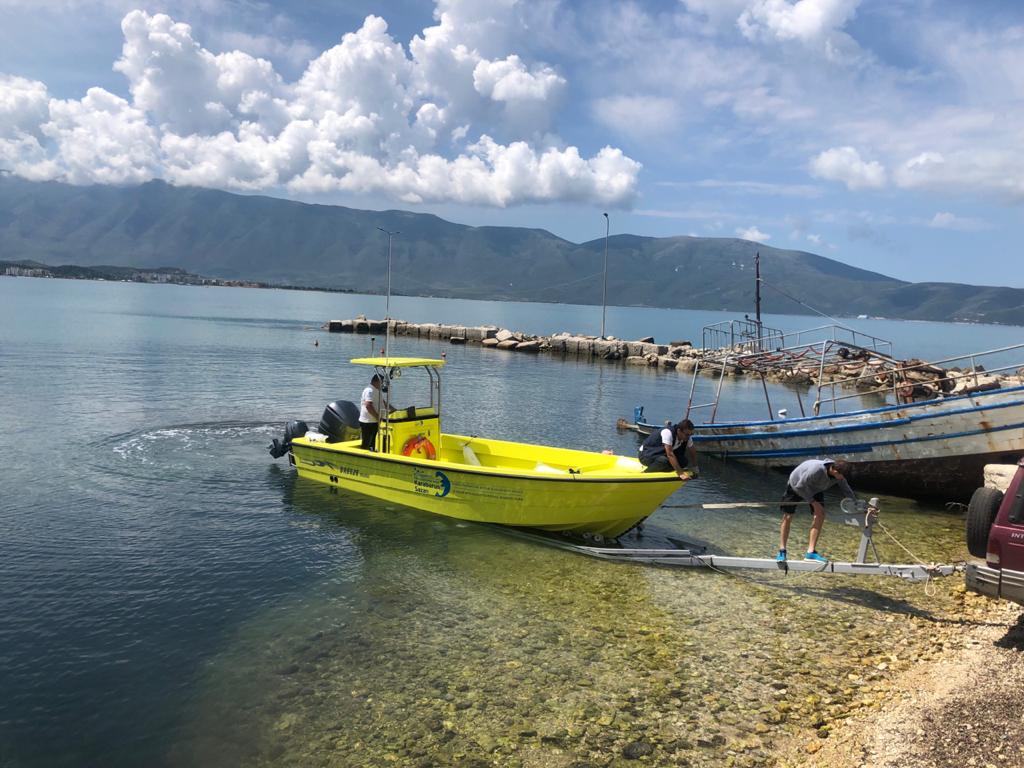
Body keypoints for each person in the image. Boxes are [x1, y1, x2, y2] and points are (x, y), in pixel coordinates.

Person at [777, 458, 856, 563]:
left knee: (820, 514)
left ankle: (810, 553)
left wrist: (855, 503)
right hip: (796, 485)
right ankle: (782, 550)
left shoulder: (839, 474)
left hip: (815, 488)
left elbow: (846, 489)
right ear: (835, 471)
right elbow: (800, 486)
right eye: (842, 476)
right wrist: (813, 503)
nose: (843, 478)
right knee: (788, 515)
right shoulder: (817, 470)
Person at [358, 374, 391, 450]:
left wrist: (393, 410)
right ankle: (363, 456)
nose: (382, 385)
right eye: (382, 383)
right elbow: (368, 405)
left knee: (374, 441)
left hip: (375, 420)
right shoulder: (369, 390)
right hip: (367, 421)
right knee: (366, 442)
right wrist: (377, 417)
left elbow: (383, 402)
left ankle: (372, 452)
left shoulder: (377, 390)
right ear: (377, 381)